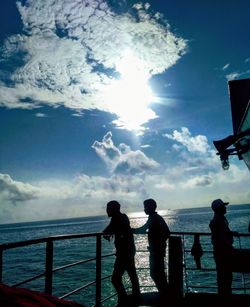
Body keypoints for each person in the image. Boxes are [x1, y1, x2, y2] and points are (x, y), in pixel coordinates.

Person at [103, 200, 140, 306]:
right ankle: (136, 298)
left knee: (115, 278)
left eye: (108, 208)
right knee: (132, 275)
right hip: (128, 251)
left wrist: (110, 233)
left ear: (114, 209)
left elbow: (106, 231)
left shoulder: (117, 219)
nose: (107, 210)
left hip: (124, 253)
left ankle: (124, 300)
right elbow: (109, 230)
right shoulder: (122, 217)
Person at [132, 198, 170, 299]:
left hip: (156, 251)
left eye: (145, 207)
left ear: (150, 207)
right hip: (157, 250)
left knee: (155, 273)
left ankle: (165, 296)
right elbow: (166, 232)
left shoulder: (154, 218)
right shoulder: (155, 217)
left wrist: (130, 230)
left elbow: (143, 229)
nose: (144, 209)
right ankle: (165, 295)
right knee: (159, 273)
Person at [209, 198, 238, 296]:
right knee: (225, 276)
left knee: (224, 275)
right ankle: (225, 297)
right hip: (223, 251)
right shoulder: (218, 220)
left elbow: (222, 233)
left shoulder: (220, 219)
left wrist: (230, 233)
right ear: (219, 208)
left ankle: (224, 296)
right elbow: (220, 236)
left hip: (223, 250)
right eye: (223, 206)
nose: (225, 208)